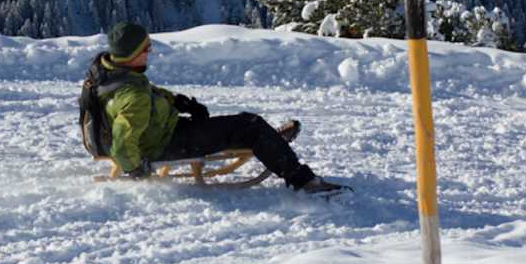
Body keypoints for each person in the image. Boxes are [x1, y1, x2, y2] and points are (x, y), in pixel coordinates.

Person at [82, 22, 346, 194]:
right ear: (132, 53)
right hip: (164, 143)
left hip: (162, 129)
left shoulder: (110, 72)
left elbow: (146, 95)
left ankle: (270, 142)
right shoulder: (133, 95)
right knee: (249, 125)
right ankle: (303, 181)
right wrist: (137, 170)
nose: (150, 52)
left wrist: (178, 102)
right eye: (146, 48)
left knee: (241, 125)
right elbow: (123, 138)